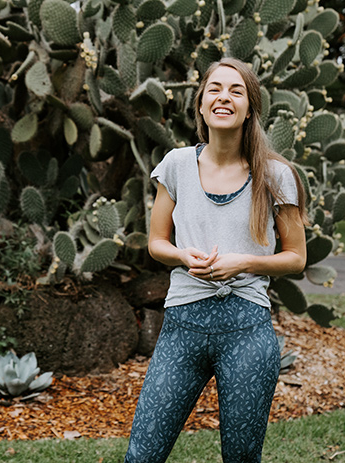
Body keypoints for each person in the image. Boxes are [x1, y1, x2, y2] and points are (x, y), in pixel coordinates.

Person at [124, 58, 309, 463]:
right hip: (182, 326)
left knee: (241, 458)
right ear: (202, 104)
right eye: (215, 89)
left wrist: (243, 263)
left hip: (247, 330)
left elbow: (296, 258)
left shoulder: (276, 175)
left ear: (249, 108)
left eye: (236, 90)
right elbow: (157, 242)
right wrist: (180, 255)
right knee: (142, 455)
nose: (224, 97)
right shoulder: (175, 165)